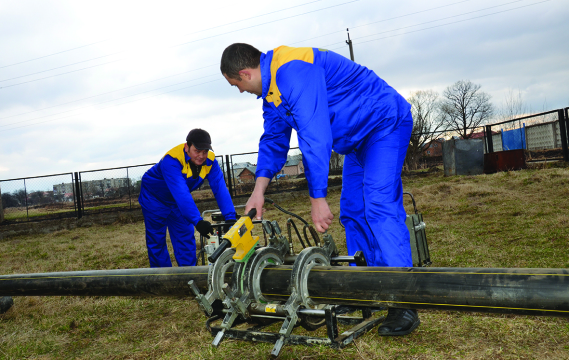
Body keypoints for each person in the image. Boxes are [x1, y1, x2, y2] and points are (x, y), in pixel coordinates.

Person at [220, 44, 418, 336]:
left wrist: (318, 197)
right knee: (353, 211)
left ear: (245, 73)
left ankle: (404, 301)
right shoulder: (272, 92)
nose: (239, 91)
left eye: (235, 84)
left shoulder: (292, 71)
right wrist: (258, 190)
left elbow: (315, 134)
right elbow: (274, 140)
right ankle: (367, 290)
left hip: (383, 123)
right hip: (356, 141)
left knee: (378, 203)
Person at [139, 129, 236, 268]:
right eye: (197, 151)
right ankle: (161, 279)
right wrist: (198, 221)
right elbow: (181, 193)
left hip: (176, 200)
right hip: (154, 198)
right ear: (187, 147)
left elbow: (220, 188)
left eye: (205, 151)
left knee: (185, 236)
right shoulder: (171, 160)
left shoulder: (211, 162)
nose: (201, 156)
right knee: (156, 240)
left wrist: (230, 217)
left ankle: (189, 276)